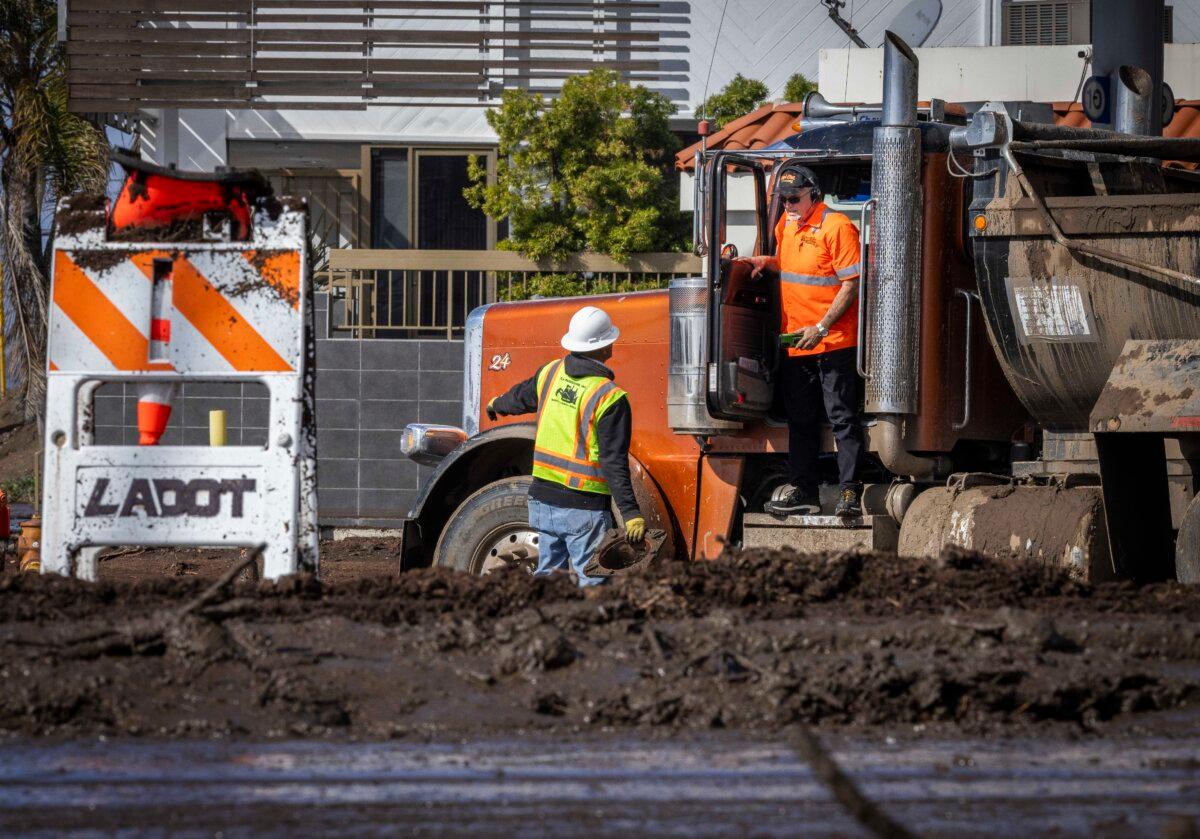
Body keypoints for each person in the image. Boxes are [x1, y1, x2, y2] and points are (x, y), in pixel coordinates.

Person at [486, 306, 644, 586]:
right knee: (592, 580)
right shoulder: (609, 397)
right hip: (582, 507)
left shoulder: (550, 373)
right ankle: (586, 628)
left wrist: (496, 404)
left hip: (542, 501)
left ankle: (541, 626)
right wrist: (630, 513)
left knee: (549, 579)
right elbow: (613, 461)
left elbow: (519, 398)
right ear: (606, 346)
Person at [740, 165, 864, 517]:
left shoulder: (837, 227)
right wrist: (767, 262)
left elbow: (850, 285)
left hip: (833, 341)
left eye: (795, 198)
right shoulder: (787, 224)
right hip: (798, 341)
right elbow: (792, 265)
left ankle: (850, 492)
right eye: (784, 199)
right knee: (800, 418)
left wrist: (822, 327)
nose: (789, 205)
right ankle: (804, 489)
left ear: (815, 194)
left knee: (842, 417)